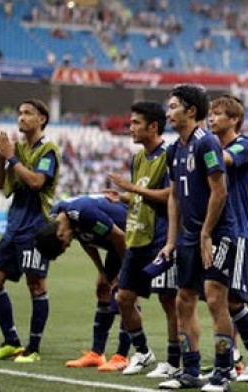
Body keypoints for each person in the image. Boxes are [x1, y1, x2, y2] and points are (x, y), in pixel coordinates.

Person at [158, 84, 237, 391]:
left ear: (191, 111)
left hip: (217, 234)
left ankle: (222, 372)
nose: (168, 112)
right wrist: (171, 240)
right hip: (189, 237)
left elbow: (220, 191)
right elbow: (174, 197)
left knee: (216, 299)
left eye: (174, 106)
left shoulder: (207, 145)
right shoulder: (174, 149)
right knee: (184, 299)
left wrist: (206, 232)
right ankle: (190, 371)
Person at [105, 101, 180, 378]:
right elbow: (144, 195)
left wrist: (131, 187)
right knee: (124, 297)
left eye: (136, 123)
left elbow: (172, 196)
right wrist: (124, 197)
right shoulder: (137, 158)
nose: (131, 127)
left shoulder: (169, 154)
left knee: (168, 301)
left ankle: (173, 361)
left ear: (153, 126)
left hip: (161, 237)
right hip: (138, 236)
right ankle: (143, 351)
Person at [0, 99, 60, 363]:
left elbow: (37, 182)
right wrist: (2, 161)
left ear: (42, 119)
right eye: (19, 112)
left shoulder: (48, 150)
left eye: (28, 113)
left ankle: (34, 348)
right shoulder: (17, 149)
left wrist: (12, 158)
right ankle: (11, 341)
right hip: (14, 225)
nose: (21, 117)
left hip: (36, 227)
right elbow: (2, 186)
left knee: (36, 285)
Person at [208, 94, 248, 382]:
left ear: (234, 119)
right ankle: (231, 357)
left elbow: (224, 159)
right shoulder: (214, 147)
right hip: (225, 234)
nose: (212, 118)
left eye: (218, 113)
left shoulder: (244, 144)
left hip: (244, 232)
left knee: (247, 297)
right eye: (210, 113)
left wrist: (194, 143)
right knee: (220, 299)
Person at [34, 195, 130, 368]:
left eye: (64, 245)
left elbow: (120, 237)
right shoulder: (60, 217)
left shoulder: (84, 213)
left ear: (60, 233)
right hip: (114, 243)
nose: (67, 246)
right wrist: (101, 271)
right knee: (104, 291)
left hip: (130, 238)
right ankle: (96, 353)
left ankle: (122, 356)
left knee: (127, 293)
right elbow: (86, 241)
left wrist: (125, 272)